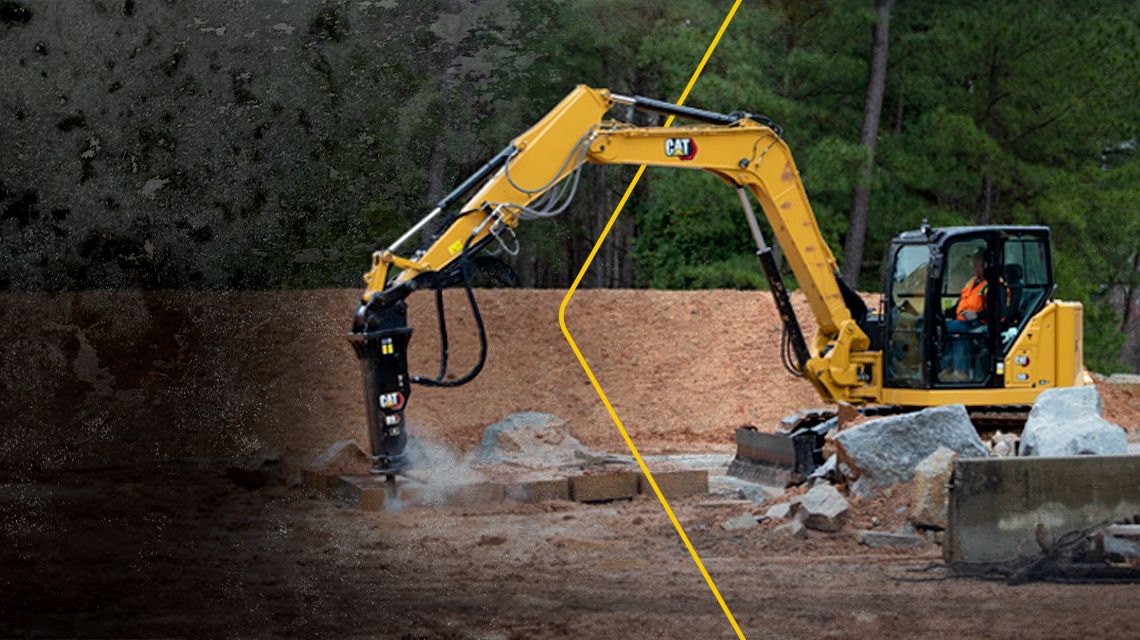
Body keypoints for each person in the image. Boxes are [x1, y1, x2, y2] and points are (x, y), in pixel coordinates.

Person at [941, 249, 988, 381]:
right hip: (963, 322)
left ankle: (960, 371)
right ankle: (947, 369)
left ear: (986, 264)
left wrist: (977, 315)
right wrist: (941, 313)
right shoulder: (972, 282)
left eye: (976, 262)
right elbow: (960, 305)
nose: (973, 265)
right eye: (973, 262)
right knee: (942, 326)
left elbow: (997, 311)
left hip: (981, 323)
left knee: (954, 329)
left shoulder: (992, 285)